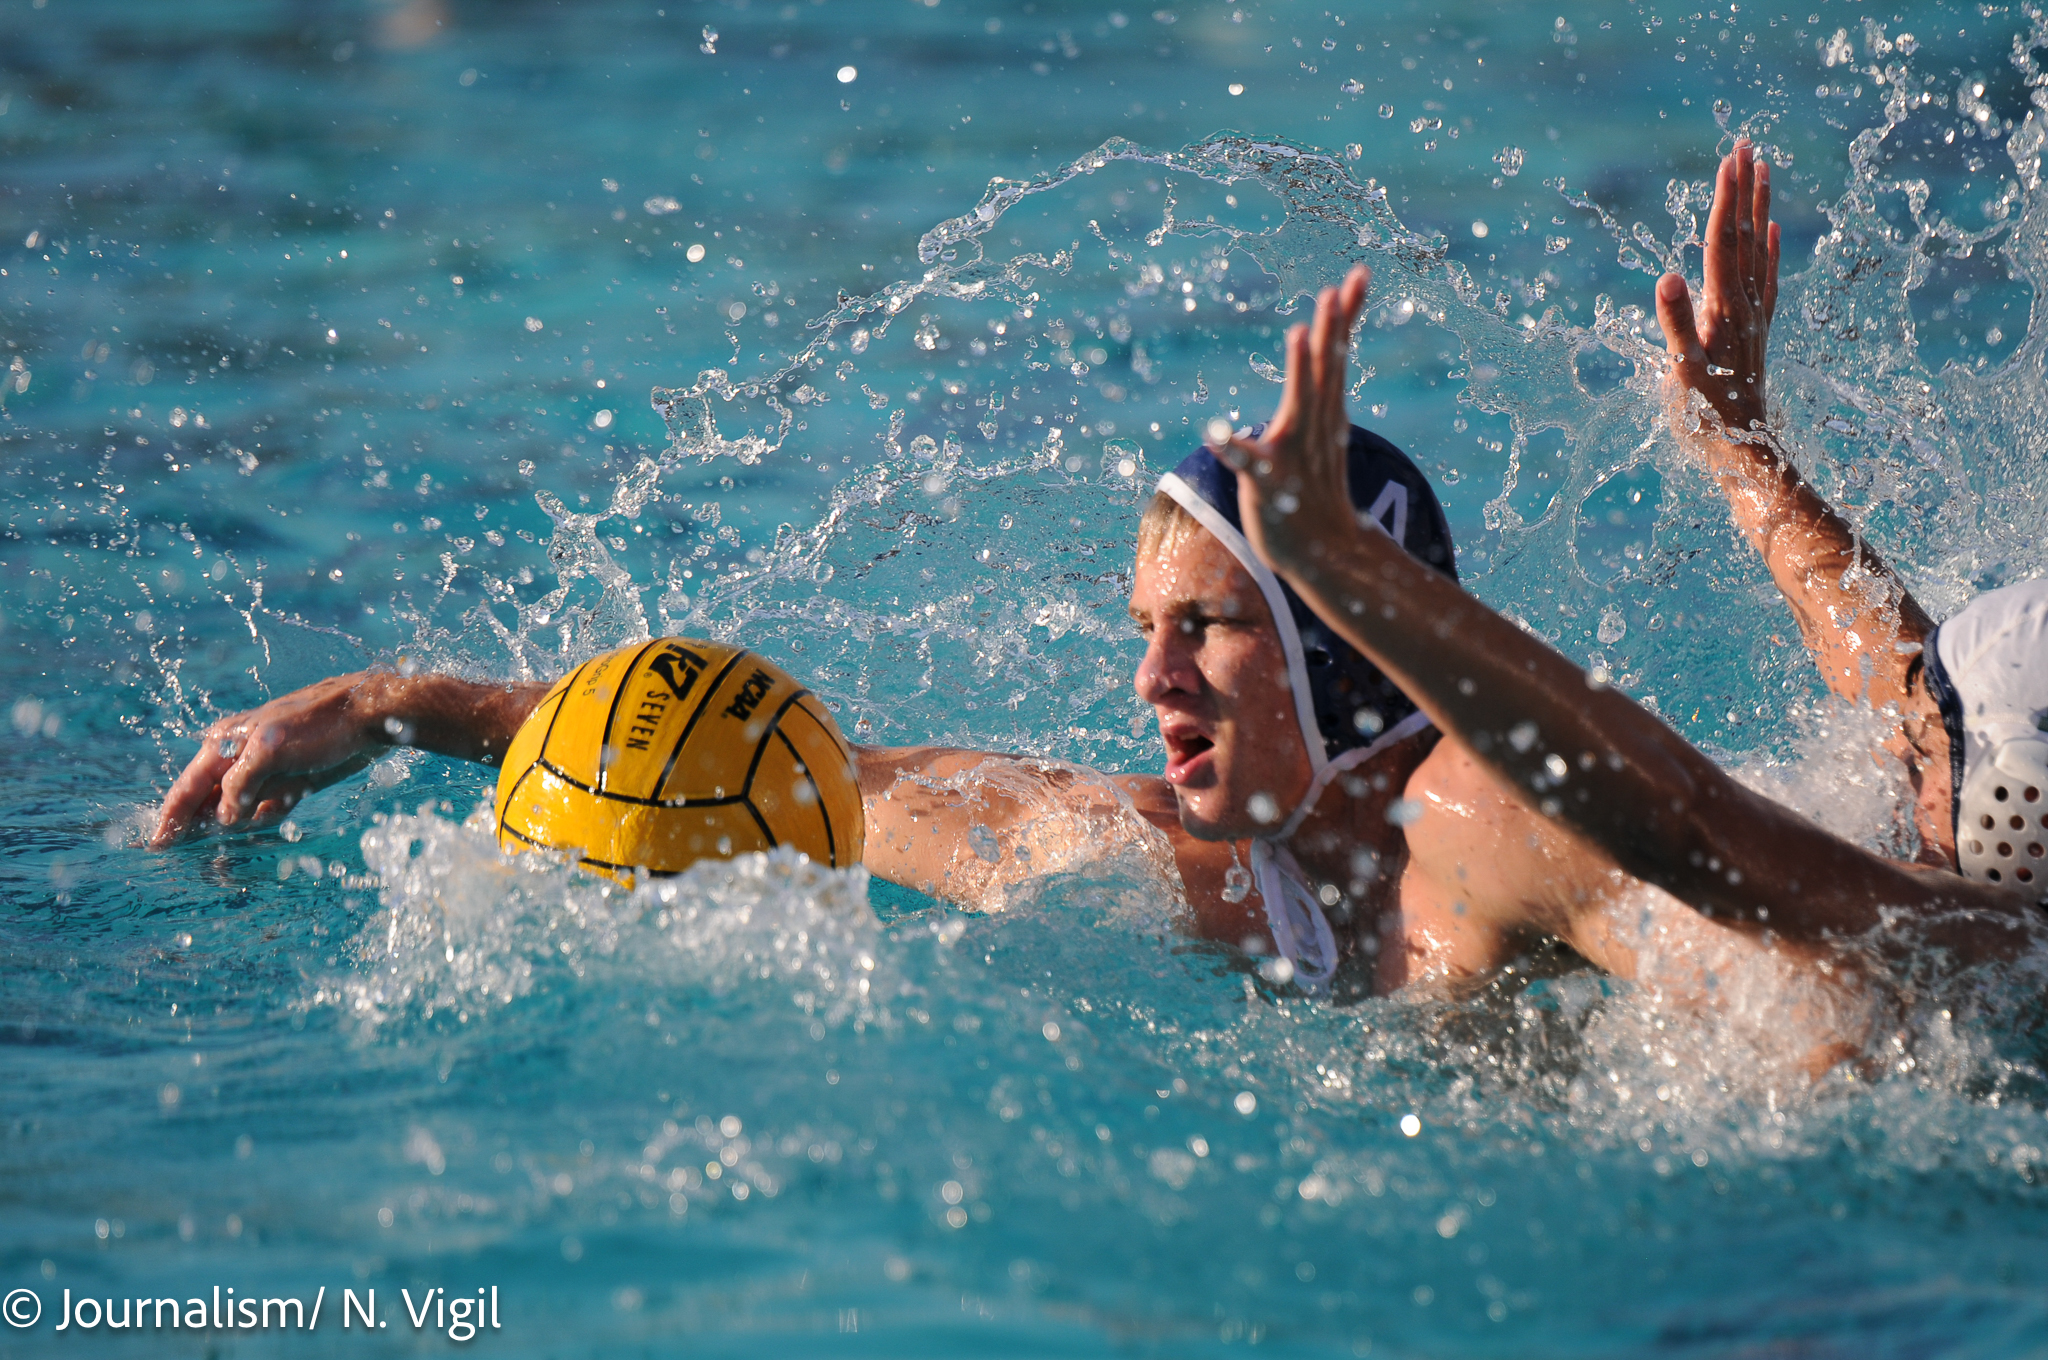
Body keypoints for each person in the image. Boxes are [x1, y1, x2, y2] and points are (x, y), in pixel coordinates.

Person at [149, 144, 2040, 1034]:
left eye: (1206, 621)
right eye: (1146, 622)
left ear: (1337, 646)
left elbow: (1659, 808)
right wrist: (419, 709)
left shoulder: (1491, 823)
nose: (1147, 678)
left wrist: (1348, 571)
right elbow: (831, 780)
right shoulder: (1208, 865)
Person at [1654, 141, 2048, 895]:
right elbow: (1891, 670)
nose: (1894, 748)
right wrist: (1737, 443)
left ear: (2013, 815)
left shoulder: (1937, 957)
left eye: (1927, 744)